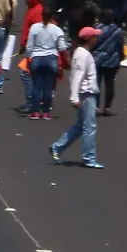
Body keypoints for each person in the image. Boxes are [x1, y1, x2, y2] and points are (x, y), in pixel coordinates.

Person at [48, 27, 104, 168]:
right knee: (89, 127)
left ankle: (57, 147)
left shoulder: (82, 53)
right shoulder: (83, 55)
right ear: (88, 38)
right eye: (94, 36)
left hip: (87, 94)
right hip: (86, 94)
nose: (96, 39)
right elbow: (77, 77)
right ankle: (89, 158)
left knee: (81, 126)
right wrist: (74, 97)